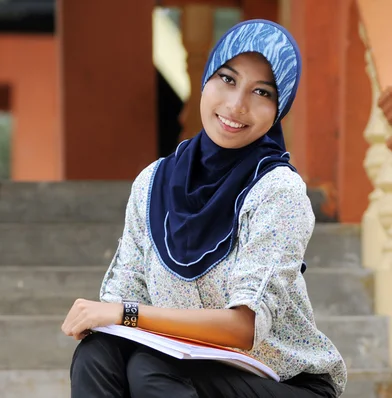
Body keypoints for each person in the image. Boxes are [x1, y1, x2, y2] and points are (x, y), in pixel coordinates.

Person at [61, 19, 347, 398]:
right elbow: (124, 291)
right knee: (97, 354)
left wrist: (126, 314)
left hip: (285, 382)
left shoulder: (278, 190)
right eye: (227, 79)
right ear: (206, 79)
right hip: (189, 367)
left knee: (152, 372)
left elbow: (243, 328)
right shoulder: (153, 182)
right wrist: (108, 318)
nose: (236, 104)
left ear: (280, 108)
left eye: (261, 92)